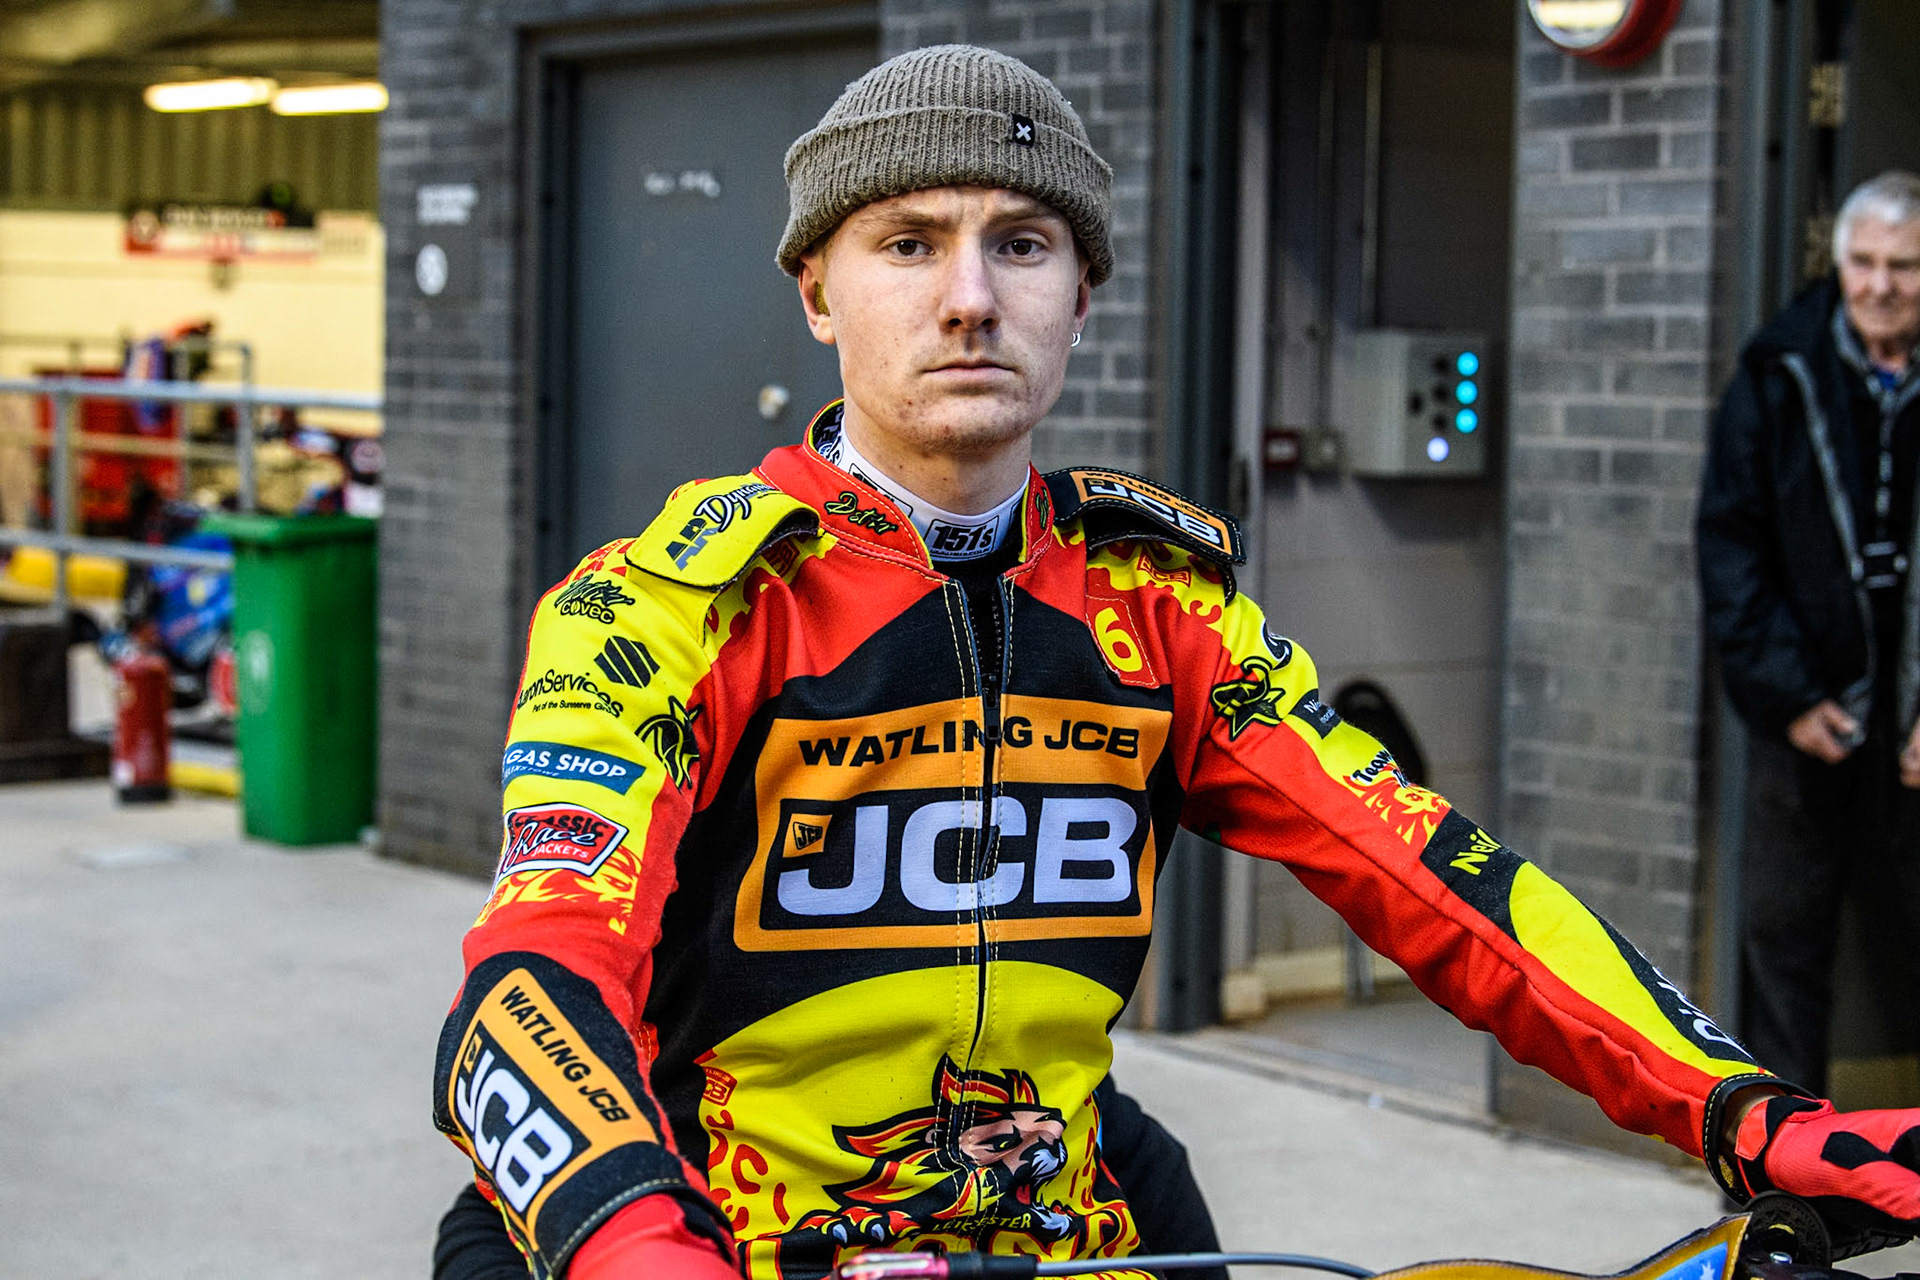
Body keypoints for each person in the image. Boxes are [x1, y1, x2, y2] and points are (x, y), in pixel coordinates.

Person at [436, 47, 1920, 1280]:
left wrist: (1746, 1111)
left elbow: (1430, 876)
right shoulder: (662, 606)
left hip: (1060, 1225)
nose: (970, 297)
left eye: (1023, 245)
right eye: (907, 244)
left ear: (1083, 296)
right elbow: (531, 982)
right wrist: (637, 1246)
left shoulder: (1161, 609)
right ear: (819, 294)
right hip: (701, 1234)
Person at [1699, 170, 1920, 1096]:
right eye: (1864, 263)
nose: (1881, 285)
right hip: (1808, 711)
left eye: (1904, 268)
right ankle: (1785, 1177)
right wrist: (1785, 696)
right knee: (1782, 943)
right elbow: (1730, 544)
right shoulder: (1778, 369)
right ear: (1839, 265)